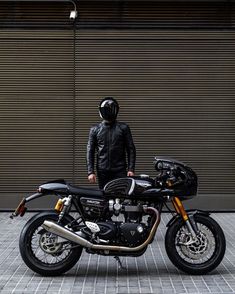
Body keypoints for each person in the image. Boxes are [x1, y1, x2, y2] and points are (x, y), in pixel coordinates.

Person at [87, 97, 136, 189]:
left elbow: (131, 149)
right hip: (103, 171)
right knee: (105, 196)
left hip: (119, 170)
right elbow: (90, 151)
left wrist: (130, 169)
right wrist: (91, 172)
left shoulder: (123, 128)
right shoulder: (95, 129)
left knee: (120, 195)